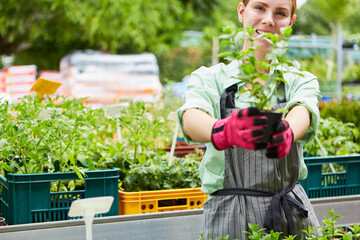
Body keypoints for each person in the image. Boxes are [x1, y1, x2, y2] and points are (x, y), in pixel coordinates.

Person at [177, 0, 322, 239]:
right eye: (260, 8)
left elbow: (302, 111)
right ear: (242, 11)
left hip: (290, 213)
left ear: (290, 22)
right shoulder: (210, 79)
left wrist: (287, 131)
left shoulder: (299, 79)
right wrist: (222, 130)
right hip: (230, 214)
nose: (269, 19)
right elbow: (191, 118)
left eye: (280, 13)